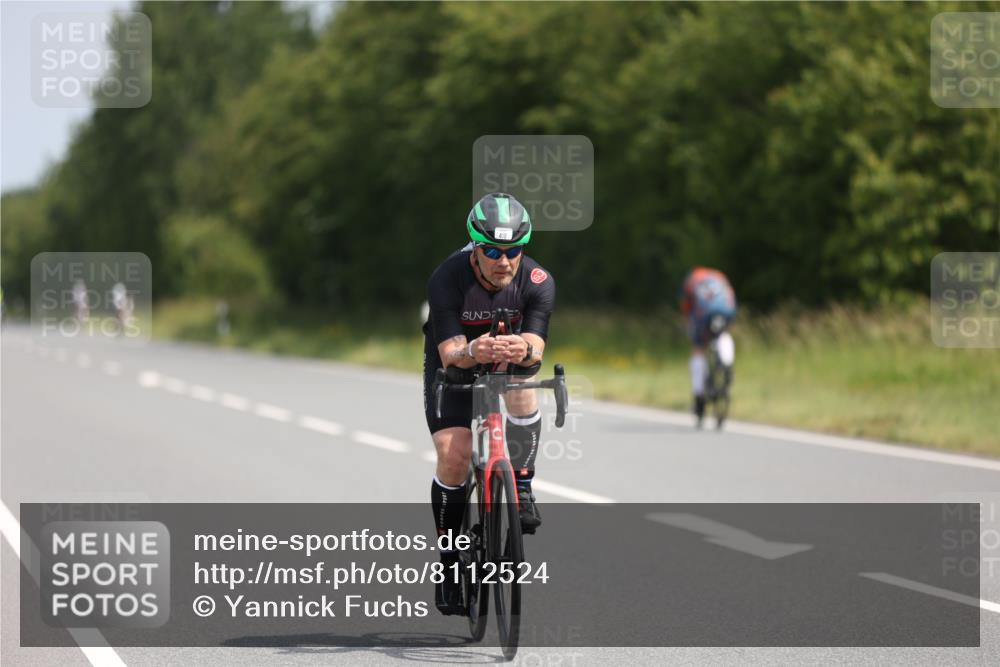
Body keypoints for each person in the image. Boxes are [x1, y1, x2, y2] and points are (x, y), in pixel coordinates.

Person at [423, 192, 555, 615]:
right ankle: (448, 563)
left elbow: (536, 346)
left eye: (514, 250)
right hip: (455, 364)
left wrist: (525, 349)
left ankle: (523, 484)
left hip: (503, 359)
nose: (504, 260)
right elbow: (450, 354)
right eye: (493, 251)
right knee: (455, 453)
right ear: (475, 249)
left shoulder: (537, 281)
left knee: (524, 384)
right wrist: (473, 350)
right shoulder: (447, 278)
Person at [680, 266, 736, 427]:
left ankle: (698, 395)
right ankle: (726, 363)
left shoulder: (692, 279)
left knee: (698, 349)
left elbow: (686, 306)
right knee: (723, 334)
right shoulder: (719, 276)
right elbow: (731, 297)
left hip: (704, 315)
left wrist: (690, 324)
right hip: (726, 311)